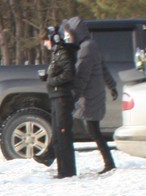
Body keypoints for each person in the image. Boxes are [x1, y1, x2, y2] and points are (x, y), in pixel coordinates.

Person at [63, 17, 118, 173]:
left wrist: (73, 95)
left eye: (70, 33)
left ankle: (109, 163)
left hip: (89, 97)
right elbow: (103, 67)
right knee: (92, 130)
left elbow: (82, 76)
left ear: (76, 32)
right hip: (94, 94)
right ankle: (109, 162)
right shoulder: (90, 45)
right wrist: (111, 86)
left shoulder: (85, 48)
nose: (68, 37)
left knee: (86, 129)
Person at [42, 27, 77, 178]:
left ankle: (67, 171)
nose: (45, 44)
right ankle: (62, 170)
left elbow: (69, 74)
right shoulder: (56, 54)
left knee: (63, 135)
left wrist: (52, 81)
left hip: (62, 97)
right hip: (56, 97)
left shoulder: (62, 53)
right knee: (57, 134)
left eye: (45, 41)